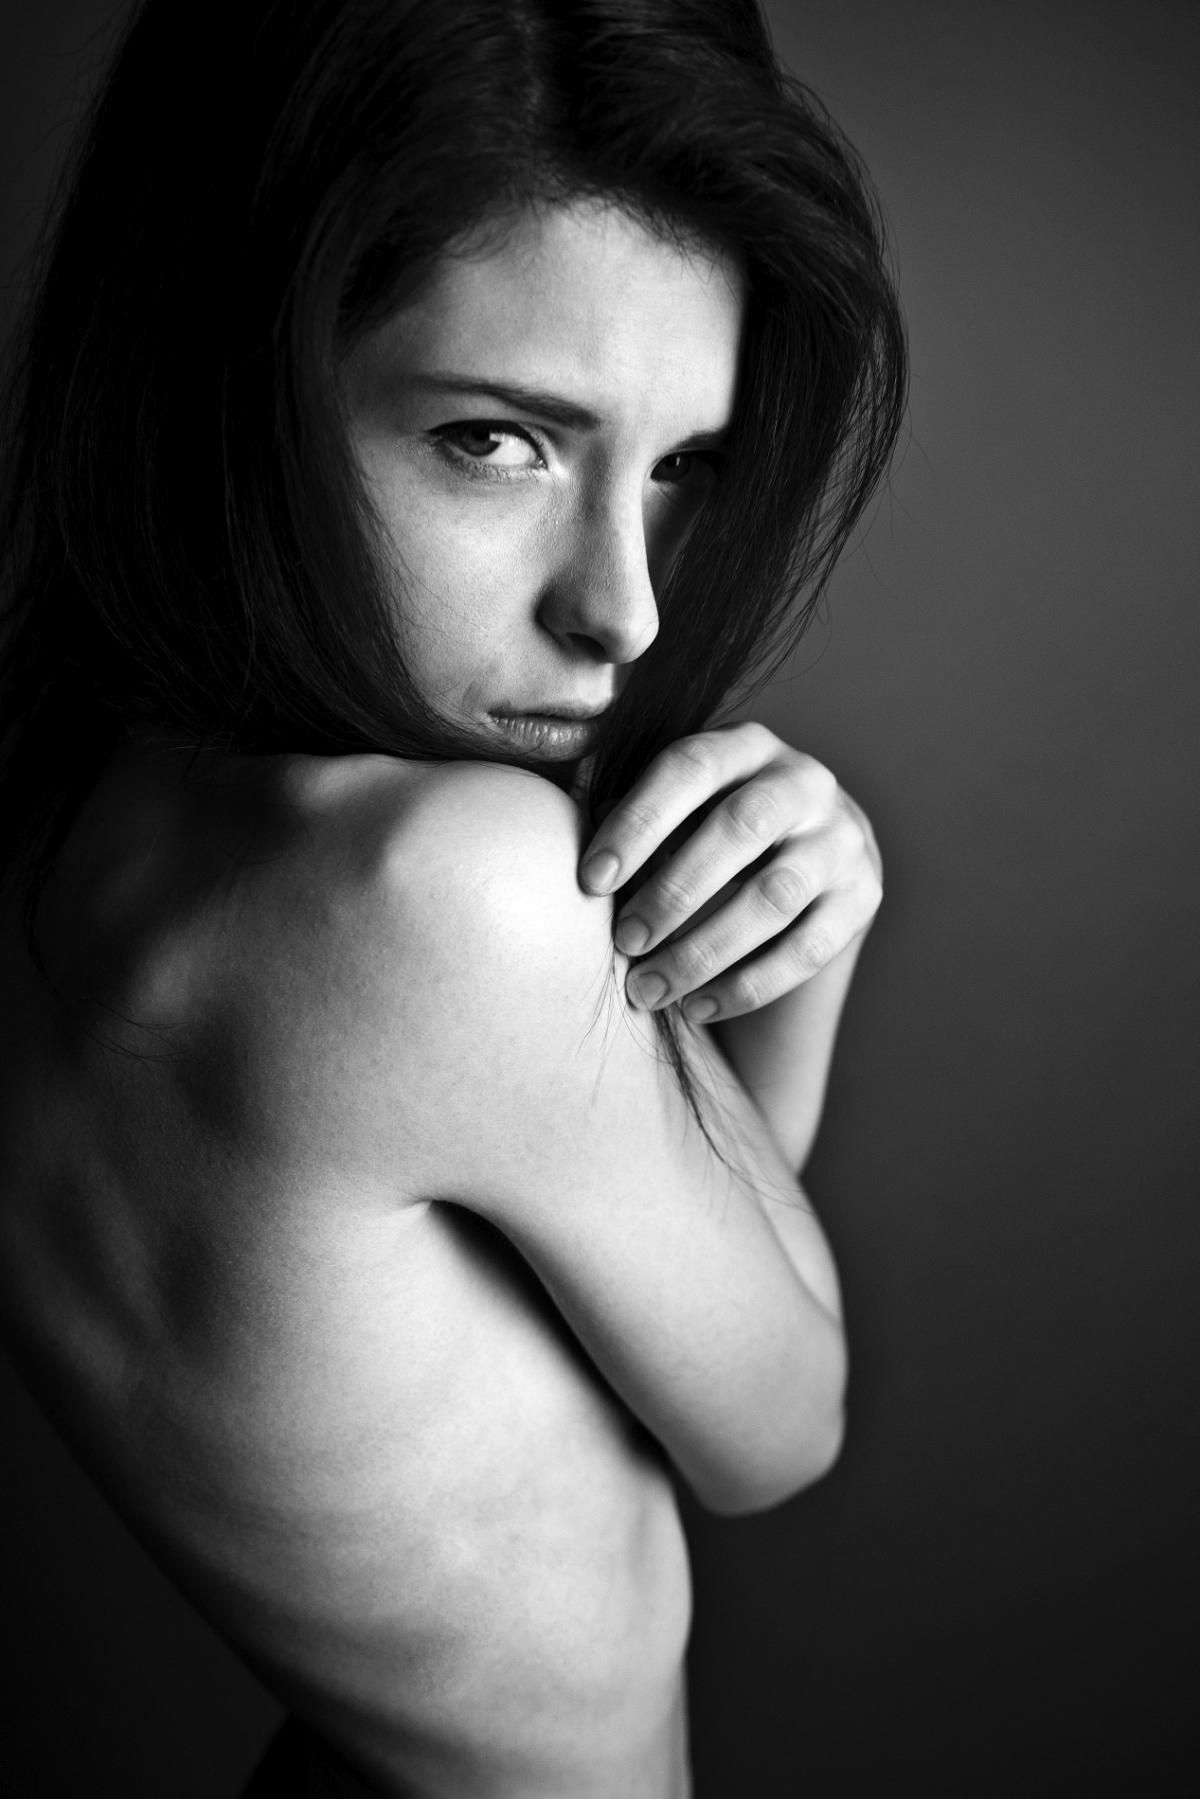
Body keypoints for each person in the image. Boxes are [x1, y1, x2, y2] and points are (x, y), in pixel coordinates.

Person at [0, 1, 905, 1793]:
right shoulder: (438, 893)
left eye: (682, 467)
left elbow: (642, 1296)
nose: (626, 610)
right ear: (230, 379)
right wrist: (822, 953)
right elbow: (773, 1426)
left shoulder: (65, 797)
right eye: (498, 440)